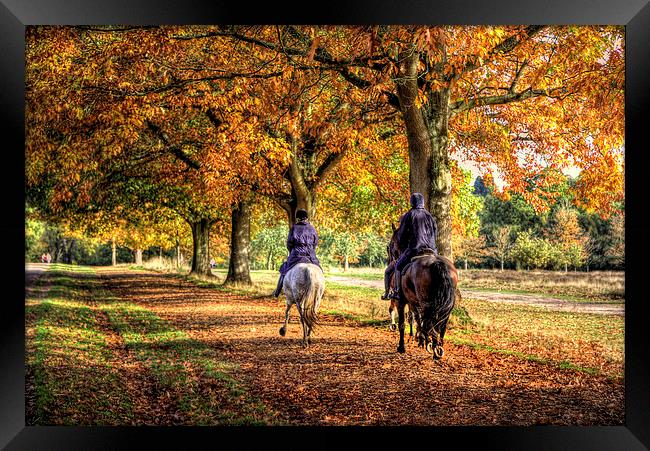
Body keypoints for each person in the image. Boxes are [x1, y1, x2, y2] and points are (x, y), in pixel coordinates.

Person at [383, 192, 438, 301]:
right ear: (422, 202)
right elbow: (435, 232)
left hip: (415, 249)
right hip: (432, 250)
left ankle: (397, 292)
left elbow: (401, 235)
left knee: (398, 266)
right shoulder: (429, 215)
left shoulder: (409, 215)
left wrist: (404, 245)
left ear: (411, 202)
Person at [272, 209, 322, 297]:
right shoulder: (312, 228)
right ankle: (320, 291)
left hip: (297, 255)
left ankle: (277, 291)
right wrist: (311, 250)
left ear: (297, 218)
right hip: (310, 256)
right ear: (306, 218)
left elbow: (289, 243)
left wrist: (292, 252)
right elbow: (315, 242)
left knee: (284, 270)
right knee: (320, 271)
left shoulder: (294, 228)